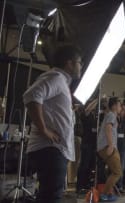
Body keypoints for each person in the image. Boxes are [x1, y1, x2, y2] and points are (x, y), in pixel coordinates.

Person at [23, 45, 82, 203]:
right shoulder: (56, 77)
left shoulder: (61, 81)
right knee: (51, 196)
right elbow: (31, 96)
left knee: (49, 195)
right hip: (49, 148)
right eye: (79, 62)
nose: (80, 66)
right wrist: (44, 130)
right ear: (69, 63)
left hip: (54, 149)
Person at [97, 97, 122, 202]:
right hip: (108, 146)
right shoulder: (111, 115)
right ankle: (105, 195)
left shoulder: (110, 115)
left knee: (113, 171)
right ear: (115, 106)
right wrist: (111, 146)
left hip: (105, 146)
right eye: (119, 105)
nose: (121, 107)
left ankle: (108, 193)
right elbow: (108, 129)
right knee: (117, 172)